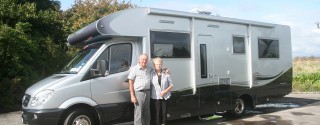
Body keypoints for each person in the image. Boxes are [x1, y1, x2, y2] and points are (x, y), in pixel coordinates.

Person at [128, 53, 152, 125]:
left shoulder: (149, 68)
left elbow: (158, 69)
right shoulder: (135, 69)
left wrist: (166, 70)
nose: (144, 61)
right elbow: (130, 83)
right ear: (139, 60)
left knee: (147, 113)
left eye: (146, 60)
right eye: (143, 59)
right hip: (139, 93)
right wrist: (132, 96)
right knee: (138, 113)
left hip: (147, 92)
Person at [150, 57, 173, 125]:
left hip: (165, 96)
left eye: (160, 64)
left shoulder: (166, 73)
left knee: (164, 112)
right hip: (155, 96)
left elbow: (171, 85)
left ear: (162, 64)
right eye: (157, 64)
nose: (158, 65)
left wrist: (165, 92)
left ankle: (164, 123)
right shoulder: (151, 73)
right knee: (157, 113)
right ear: (154, 65)